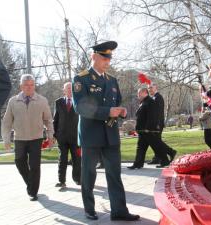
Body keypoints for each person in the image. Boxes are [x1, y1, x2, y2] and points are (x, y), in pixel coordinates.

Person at [72, 41, 139, 221]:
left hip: (110, 135)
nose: (107, 61)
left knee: (114, 174)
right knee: (89, 175)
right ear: (93, 56)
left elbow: (115, 103)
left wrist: (121, 111)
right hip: (90, 135)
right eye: (104, 57)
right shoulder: (81, 79)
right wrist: (107, 112)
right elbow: (81, 107)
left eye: (109, 58)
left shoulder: (112, 80)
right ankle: (89, 209)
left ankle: (119, 211)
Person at [2, 74, 54, 201]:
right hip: (20, 138)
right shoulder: (13, 101)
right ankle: (31, 184)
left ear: (34, 86)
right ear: (21, 86)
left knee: (35, 165)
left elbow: (48, 120)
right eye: (26, 85)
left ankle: (33, 192)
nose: (29, 87)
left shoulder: (42, 100)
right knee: (19, 161)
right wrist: (6, 139)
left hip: (36, 138)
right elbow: (7, 122)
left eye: (32, 85)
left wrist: (50, 135)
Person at [127, 88, 170, 169]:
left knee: (155, 145)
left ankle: (167, 157)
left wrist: (148, 128)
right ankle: (138, 164)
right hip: (142, 130)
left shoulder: (150, 101)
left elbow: (151, 117)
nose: (138, 95)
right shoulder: (144, 102)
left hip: (146, 130)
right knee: (141, 147)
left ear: (144, 93)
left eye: (139, 93)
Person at [53, 82, 81, 188]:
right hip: (62, 137)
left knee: (77, 159)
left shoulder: (79, 101)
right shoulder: (58, 102)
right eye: (67, 88)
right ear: (64, 90)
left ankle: (78, 179)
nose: (69, 90)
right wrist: (54, 135)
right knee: (62, 159)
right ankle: (62, 181)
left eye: (71, 88)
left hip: (76, 137)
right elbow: (55, 119)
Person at [147, 83, 177, 164]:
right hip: (155, 124)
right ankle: (157, 158)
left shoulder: (158, 97)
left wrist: (157, 124)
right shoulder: (153, 97)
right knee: (156, 141)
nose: (149, 89)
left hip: (158, 124)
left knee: (157, 141)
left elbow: (159, 113)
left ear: (156, 87)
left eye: (151, 88)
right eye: (148, 88)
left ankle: (171, 152)